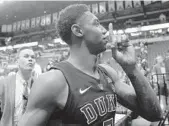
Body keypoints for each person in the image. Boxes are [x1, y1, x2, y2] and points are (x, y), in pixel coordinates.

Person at [18, 4, 162, 126]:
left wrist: (131, 68)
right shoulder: (53, 81)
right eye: (97, 23)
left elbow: (154, 114)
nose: (104, 30)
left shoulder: (107, 73)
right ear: (78, 31)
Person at [0, 47, 37, 126]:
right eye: (26, 56)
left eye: (33, 57)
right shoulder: (4, 82)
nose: (30, 59)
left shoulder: (39, 84)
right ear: (17, 61)